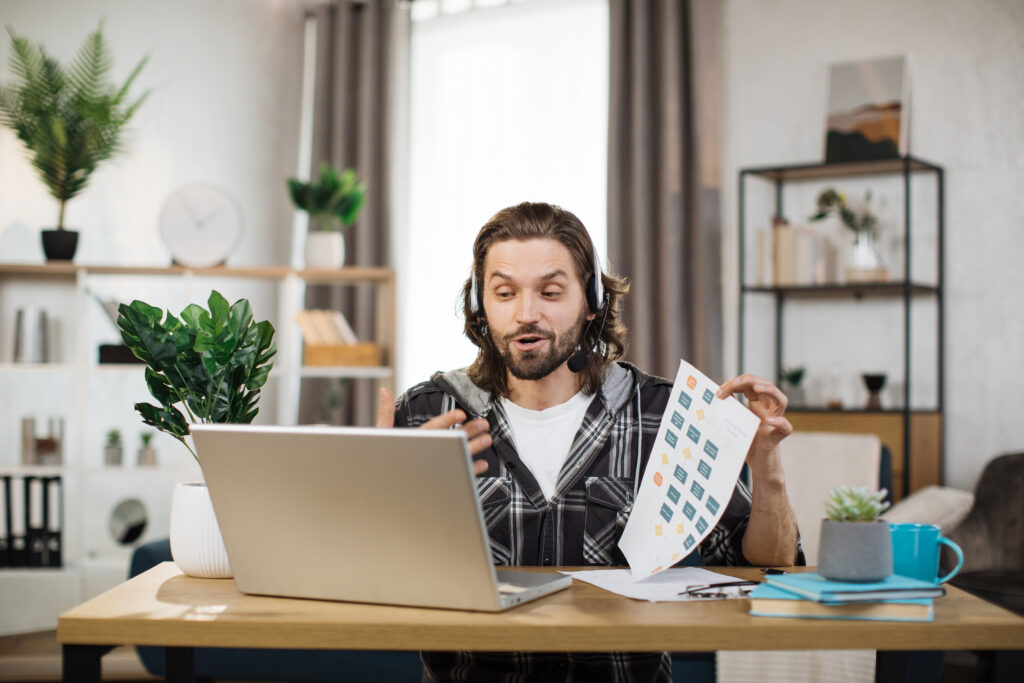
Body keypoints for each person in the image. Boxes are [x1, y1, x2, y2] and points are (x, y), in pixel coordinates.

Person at [376, 202, 801, 683]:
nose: (526, 314)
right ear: (480, 305)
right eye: (504, 292)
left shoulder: (663, 413)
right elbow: (366, 575)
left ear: (591, 302)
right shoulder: (425, 414)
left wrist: (768, 470)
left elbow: (767, 568)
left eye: (551, 292)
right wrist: (383, 486)